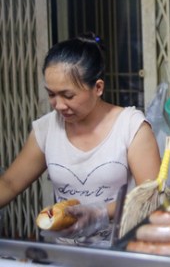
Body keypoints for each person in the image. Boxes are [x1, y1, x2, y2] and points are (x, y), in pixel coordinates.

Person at [0, 33, 161, 247]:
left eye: (68, 96)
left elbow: (151, 198)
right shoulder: (47, 128)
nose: (58, 105)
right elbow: (9, 184)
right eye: (51, 95)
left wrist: (100, 213)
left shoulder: (131, 127)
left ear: (98, 88)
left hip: (122, 251)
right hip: (68, 255)